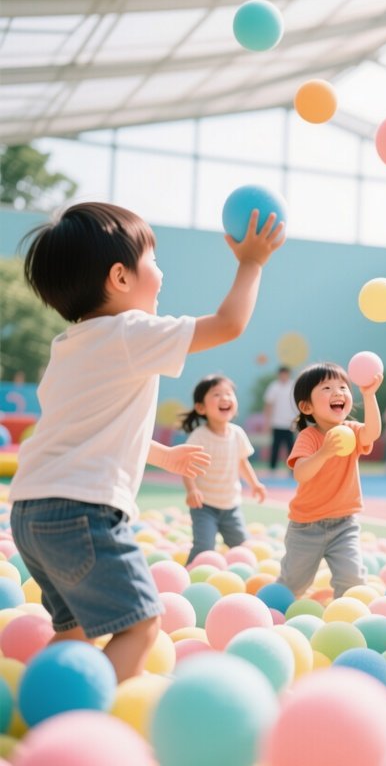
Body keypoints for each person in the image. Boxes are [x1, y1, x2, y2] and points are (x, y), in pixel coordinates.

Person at [9, 201, 284, 681]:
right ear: (119, 277)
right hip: (82, 513)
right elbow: (228, 324)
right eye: (153, 260)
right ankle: (91, 724)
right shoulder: (130, 331)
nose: (162, 272)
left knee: (75, 630)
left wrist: (162, 455)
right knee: (142, 623)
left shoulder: (68, 346)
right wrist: (252, 262)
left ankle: (46, 710)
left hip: (30, 511)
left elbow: (87, 430)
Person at [276, 361, 382, 598]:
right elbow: (300, 473)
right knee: (293, 583)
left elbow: (372, 432)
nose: (337, 392)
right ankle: (276, 606)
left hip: (344, 525)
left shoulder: (353, 431)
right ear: (306, 406)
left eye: (343, 387)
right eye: (326, 388)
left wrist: (369, 395)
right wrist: (324, 452)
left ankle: (345, 615)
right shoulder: (309, 436)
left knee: (352, 580)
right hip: (306, 527)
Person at [182, 375, 268, 565]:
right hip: (204, 507)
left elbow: (242, 462)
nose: (225, 398)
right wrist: (192, 489)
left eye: (229, 393)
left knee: (242, 548)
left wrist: (255, 484)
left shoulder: (237, 433)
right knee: (204, 547)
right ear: (201, 407)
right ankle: (188, 571)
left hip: (231, 506)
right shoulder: (199, 436)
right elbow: (188, 466)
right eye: (217, 394)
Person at [263, 365, 297, 473]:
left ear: (288, 374)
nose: (283, 376)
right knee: (275, 447)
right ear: (279, 375)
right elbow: (268, 404)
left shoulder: (293, 386)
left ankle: (292, 469)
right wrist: (267, 422)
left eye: (286, 374)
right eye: (282, 374)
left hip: (290, 423)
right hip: (276, 423)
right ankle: (272, 469)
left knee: (291, 447)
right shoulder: (274, 387)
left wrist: (298, 421)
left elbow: (297, 405)